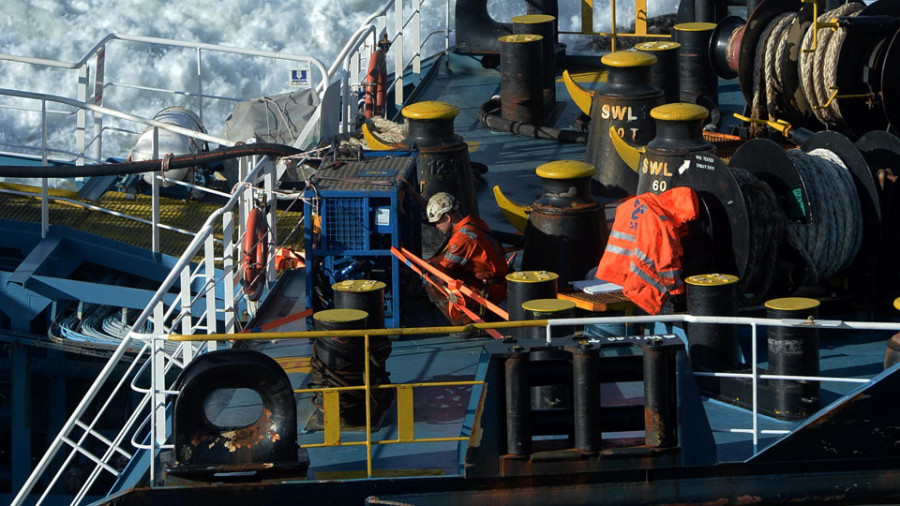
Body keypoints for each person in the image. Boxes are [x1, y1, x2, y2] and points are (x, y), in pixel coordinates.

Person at [399, 180, 508, 327]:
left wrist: (419, 266)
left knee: (434, 282)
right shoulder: (474, 222)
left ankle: (466, 322)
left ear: (447, 218)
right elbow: (447, 256)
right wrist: (412, 193)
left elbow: (444, 271)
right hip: (497, 282)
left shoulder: (461, 240)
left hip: (490, 291)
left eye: (437, 222)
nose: (436, 226)